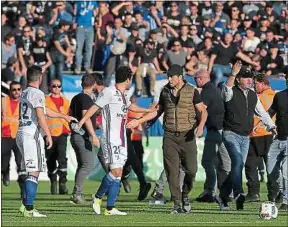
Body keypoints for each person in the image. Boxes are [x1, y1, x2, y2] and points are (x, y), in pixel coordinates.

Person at [127, 64, 208, 214]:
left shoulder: (192, 91)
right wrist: (139, 121)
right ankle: (177, 203)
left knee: (191, 170)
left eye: (172, 76)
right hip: (170, 136)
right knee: (172, 171)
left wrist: (201, 126)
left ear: (180, 77)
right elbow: (157, 110)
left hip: (188, 135)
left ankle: (185, 195)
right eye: (168, 76)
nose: (169, 79)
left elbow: (203, 111)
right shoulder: (165, 91)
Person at [76, 66, 156, 215]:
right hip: (110, 138)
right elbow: (94, 107)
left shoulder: (124, 94)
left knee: (118, 173)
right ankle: (98, 196)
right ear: (128, 79)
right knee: (115, 171)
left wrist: (147, 111)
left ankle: (110, 208)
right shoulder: (108, 92)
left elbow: (131, 107)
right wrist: (82, 122)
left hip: (122, 138)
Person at [16, 65, 73, 217]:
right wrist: (48, 134)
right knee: (34, 171)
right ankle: (29, 209)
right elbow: (41, 116)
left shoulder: (25, 92)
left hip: (21, 132)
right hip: (31, 134)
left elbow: (45, 110)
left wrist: (64, 116)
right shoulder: (38, 93)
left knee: (32, 171)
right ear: (40, 78)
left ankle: (24, 204)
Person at [219, 61, 276, 211]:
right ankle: (238, 194)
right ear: (238, 79)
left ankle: (223, 195)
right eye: (245, 77)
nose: (249, 79)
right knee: (237, 161)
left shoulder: (252, 95)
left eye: (250, 77)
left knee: (237, 166)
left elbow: (262, 112)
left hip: (245, 136)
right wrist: (232, 74)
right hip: (230, 133)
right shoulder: (231, 91)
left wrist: (272, 126)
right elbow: (226, 90)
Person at [194, 69, 231, 203]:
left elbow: (201, 111)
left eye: (196, 78)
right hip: (222, 130)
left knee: (208, 161)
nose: (195, 80)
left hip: (215, 130)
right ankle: (228, 192)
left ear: (202, 78)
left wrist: (199, 126)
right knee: (225, 163)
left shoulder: (206, 92)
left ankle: (210, 191)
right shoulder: (213, 89)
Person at [245, 73, 275, 202]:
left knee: (251, 165)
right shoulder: (276, 95)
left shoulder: (258, 97)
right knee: (273, 167)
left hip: (259, 134)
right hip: (271, 135)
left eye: (255, 83)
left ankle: (253, 193)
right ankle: (276, 194)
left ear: (263, 83)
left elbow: (259, 114)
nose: (253, 86)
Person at [69, 74, 98, 204]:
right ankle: (77, 194)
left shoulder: (75, 98)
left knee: (82, 165)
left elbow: (69, 115)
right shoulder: (86, 99)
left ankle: (77, 193)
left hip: (75, 135)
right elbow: (84, 117)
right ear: (94, 85)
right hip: (82, 136)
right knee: (87, 165)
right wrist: (93, 135)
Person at [45, 79, 71, 195]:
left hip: (62, 133)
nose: (56, 88)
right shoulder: (45, 101)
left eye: (58, 86)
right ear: (50, 87)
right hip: (49, 134)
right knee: (50, 160)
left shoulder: (66, 102)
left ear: (61, 87)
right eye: (54, 86)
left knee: (62, 157)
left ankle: (62, 183)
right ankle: (53, 180)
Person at [267, 74, 288, 210]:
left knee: (286, 171)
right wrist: (267, 125)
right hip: (278, 137)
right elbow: (270, 112)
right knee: (271, 169)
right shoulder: (279, 95)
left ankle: (286, 201)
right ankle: (281, 191)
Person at [1, 81, 26, 196]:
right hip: (5, 136)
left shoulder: (25, 103)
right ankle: (5, 172)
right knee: (3, 164)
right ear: (10, 91)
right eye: (14, 89)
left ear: (21, 90)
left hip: (19, 138)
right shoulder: (3, 101)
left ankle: (23, 191)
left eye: (18, 89)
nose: (16, 92)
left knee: (21, 165)